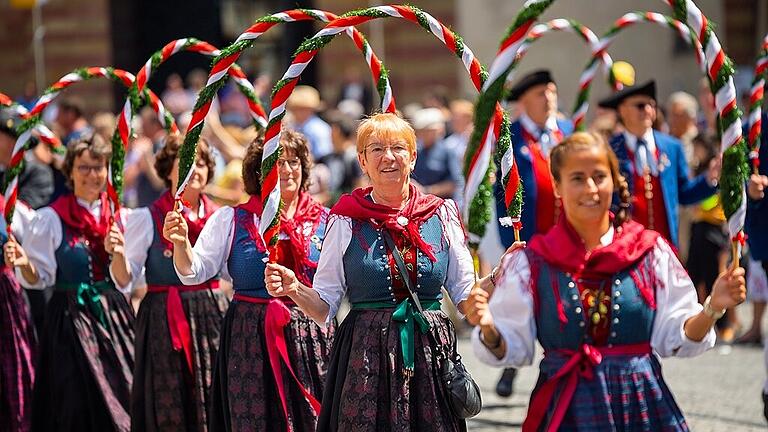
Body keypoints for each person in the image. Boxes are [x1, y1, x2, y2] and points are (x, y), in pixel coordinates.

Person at [468, 131, 746, 430]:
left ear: (614, 182)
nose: (590, 188)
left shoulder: (649, 252)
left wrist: (713, 308)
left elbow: (677, 337)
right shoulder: (533, 262)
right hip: (567, 407)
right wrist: (488, 327)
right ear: (558, 187)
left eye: (599, 176)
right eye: (577, 178)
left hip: (639, 403)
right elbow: (512, 347)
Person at [265, 113, 476, 431]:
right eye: (376, 149)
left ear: (413, 157)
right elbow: (325, 306)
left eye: (398, 148)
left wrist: (495, 282)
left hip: (430, 352)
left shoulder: (441, 213)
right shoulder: (345, 219)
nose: (388, 157)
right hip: (366, 355)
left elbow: (465, 295)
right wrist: (295, 288)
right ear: (362, 161)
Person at [164, 130, 332, 432]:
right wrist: (181, 243)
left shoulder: (327, 220)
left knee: (312, 417)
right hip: (248, 335)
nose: (287, 169)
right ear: (259, 172)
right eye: (276, 163)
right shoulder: (232, 219)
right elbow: (194, 271)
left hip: (311, 336)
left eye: (294, 162)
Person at [10, 133, 135, 431]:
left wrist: (118, 252)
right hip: (68, 321)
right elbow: (38, 279)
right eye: (84, 167)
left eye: (98, 167)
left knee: (124, 394)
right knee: (73, 400)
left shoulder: (120, 216)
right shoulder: (51, 218)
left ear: (108, 171)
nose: (92, 174)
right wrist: (25, 263)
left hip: (112, 317)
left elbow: (125, 280)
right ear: (70, 171)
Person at [109, 136, 227, 431]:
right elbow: (125, 278)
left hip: (212, 314)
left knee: (214, 392)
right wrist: (118, 253)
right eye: (186, 162)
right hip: (163, 317)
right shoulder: (147, 217)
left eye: (201, 163)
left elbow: (231, 274)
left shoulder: (221, 217)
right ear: (169, 170)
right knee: (168, 398)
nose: (195, 169)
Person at [492, 69, 574, 397]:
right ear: (524, 101)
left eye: (552, 91)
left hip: (567, 237)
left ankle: (560, 367)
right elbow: (502, 192)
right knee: (527, 302)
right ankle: (512, 364)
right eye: (541, 93)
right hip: (531, 238)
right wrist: (508, 237)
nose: (549, 98)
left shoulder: (567, 132)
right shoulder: (510, 139)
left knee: (564, 305)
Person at [598, 80, 718, 248]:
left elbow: (684, 193)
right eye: (640, 106)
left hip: (665, 247)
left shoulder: (672, 147)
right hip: (625, 247)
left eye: (651, 105)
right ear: (622, 110)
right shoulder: (609, 150)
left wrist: (709, 180)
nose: (647, 110)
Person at [0, 188, 39, 432]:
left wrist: (22, 259)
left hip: (5, 303)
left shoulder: (8, 207)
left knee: (14, 377)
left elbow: (36, 269)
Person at [411, 107, 464, 203]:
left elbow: (455, 183)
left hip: (441, 206)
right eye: (420, 131)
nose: (422, 134)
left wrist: (426, 191)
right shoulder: (416, 151)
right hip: (417, 205)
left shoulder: (447, 151)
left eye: (427, 130)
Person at [286, 85, 333, 160]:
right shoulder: (293, 126)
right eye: (294, 109)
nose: (295, 112)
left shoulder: (320, 129)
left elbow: (324, 155)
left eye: (300, 109)